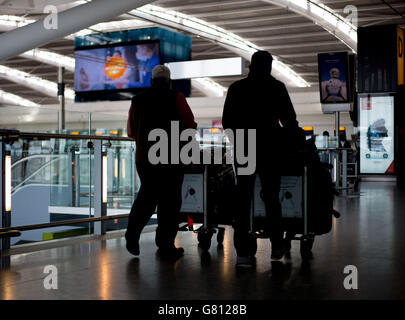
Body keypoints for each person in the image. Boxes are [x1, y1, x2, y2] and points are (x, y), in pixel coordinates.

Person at [222, 50, 299, 268]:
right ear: (269, 66)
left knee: (243, 198)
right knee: (272, 197)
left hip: (244, 146)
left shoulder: (237, 88)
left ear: (251, 66)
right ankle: (276, 246)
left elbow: (227, 121)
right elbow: (290, 121)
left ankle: (243, 253)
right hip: (270, 148)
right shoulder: (277, 88)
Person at [125, 65, 197, 259]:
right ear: (169, 81)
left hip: (144, 159)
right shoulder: (176, 97)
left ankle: (132, 235)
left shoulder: (137, 100)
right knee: (170, 202)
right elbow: (191, 125)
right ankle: (165, 245)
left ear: (151, 81)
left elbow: (131, 132)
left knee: (146, 198)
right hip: (171, 159)